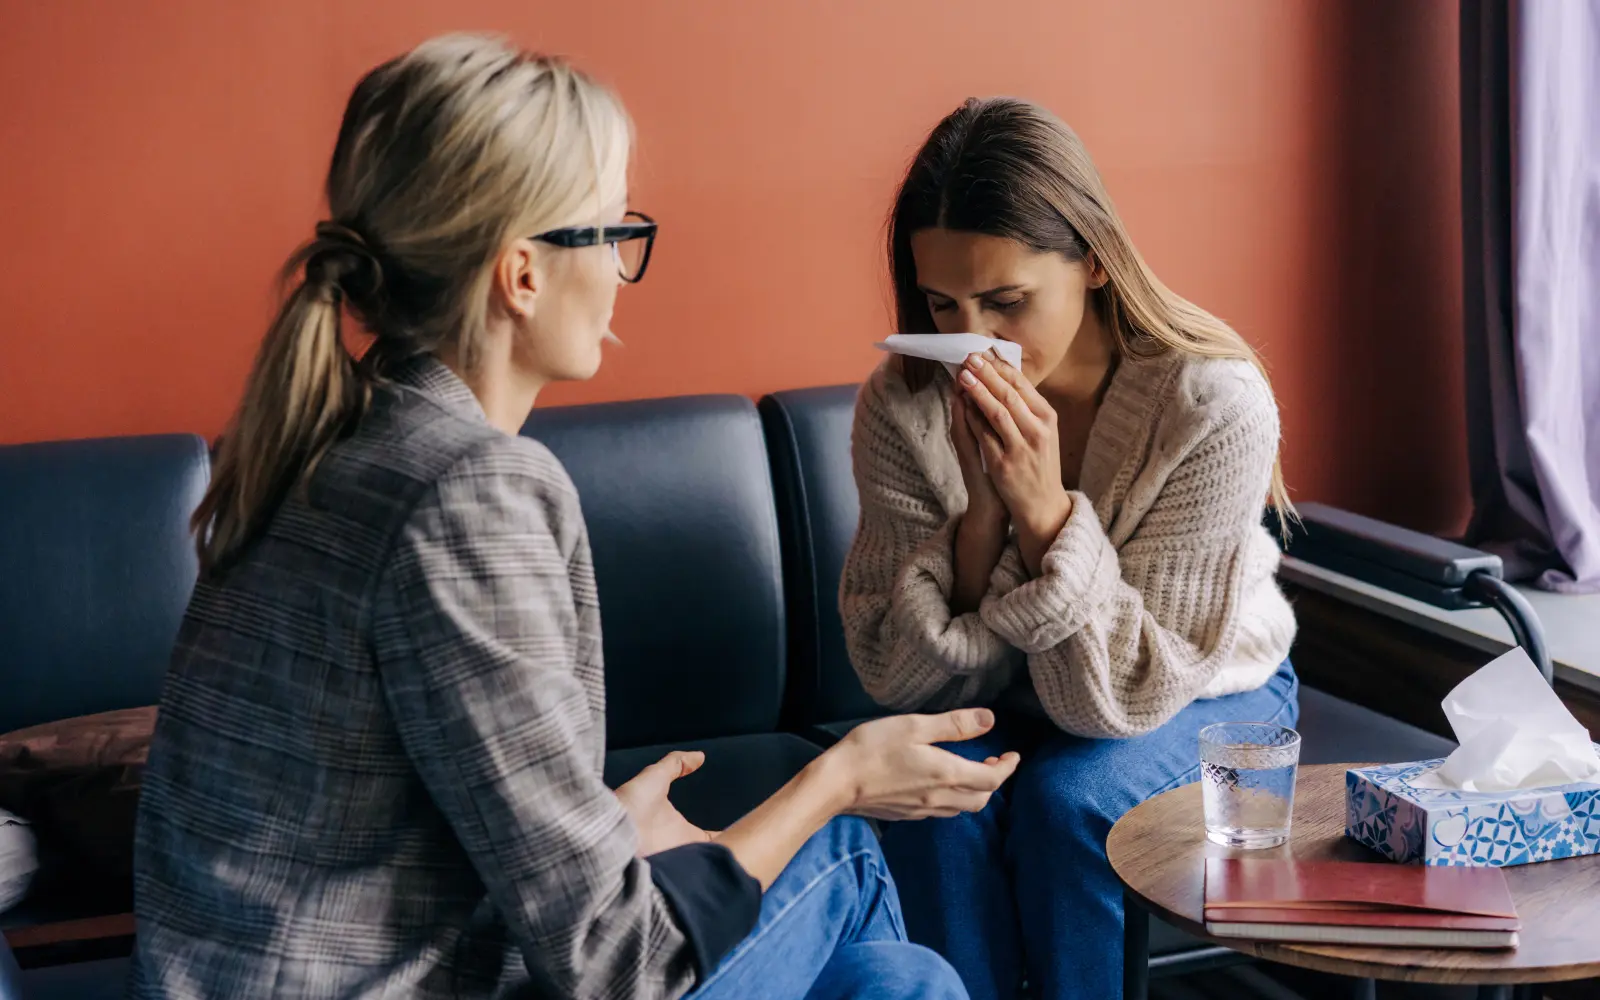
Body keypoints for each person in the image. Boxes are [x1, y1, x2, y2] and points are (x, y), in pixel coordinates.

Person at [129, 35, 1019, 1000]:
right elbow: (614, 965)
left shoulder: (323, 442)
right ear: (522, 274)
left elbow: (379, 806)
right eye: (612, 232)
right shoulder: (471, 491)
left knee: (902, 979)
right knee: (846, 855)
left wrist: (597, 831)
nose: (622, 267)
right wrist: (837, 780)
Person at [839, 97, 1300, 1000]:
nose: (975, 339)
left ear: (1093, 259)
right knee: (935, 802)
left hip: (1189, 685)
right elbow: (896, 676)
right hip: (1011, 692)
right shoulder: (902, 405)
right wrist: (980, 519)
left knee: (1068, 802)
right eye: (943, 304)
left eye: (1007, 302)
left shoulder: (1212, 402)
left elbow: (1122, 697)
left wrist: (1047, 515)